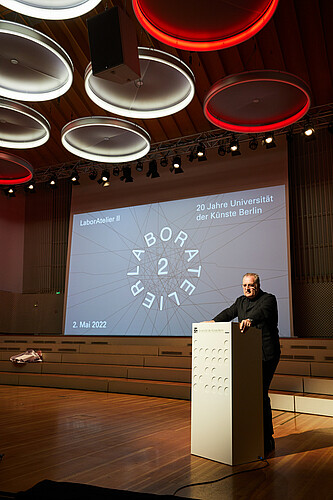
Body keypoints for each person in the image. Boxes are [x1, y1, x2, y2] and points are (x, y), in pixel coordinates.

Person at [207, 272, 280, 457]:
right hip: (246, 355)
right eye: (244, 286)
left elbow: (260, 313)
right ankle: (251, 436)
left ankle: (267, 438)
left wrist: (249, 320)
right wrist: (213, 322)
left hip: (266, 355)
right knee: (249, 395)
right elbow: (229, 313)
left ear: (258, 285)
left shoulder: (269, 299)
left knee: (260, 394)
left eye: (251, 285)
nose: (247, 288)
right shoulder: (240, 301)